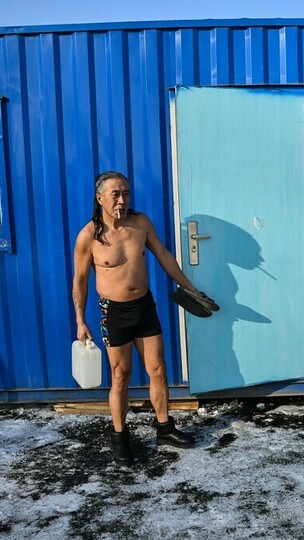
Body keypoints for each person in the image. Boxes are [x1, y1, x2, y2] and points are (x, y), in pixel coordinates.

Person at [72, 171, 197, 466]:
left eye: (126, 193)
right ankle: (120, 438)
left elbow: (164, 256)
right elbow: (80, 280)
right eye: (115, 194)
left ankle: (165, 429)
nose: (122, 199)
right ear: (99, 198)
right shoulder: (89, 236)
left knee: (158, 368)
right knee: (120, 375)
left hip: (144, 306)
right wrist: (80, 320)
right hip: (113, 312)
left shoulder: (140, 224)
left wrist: (189, 288)